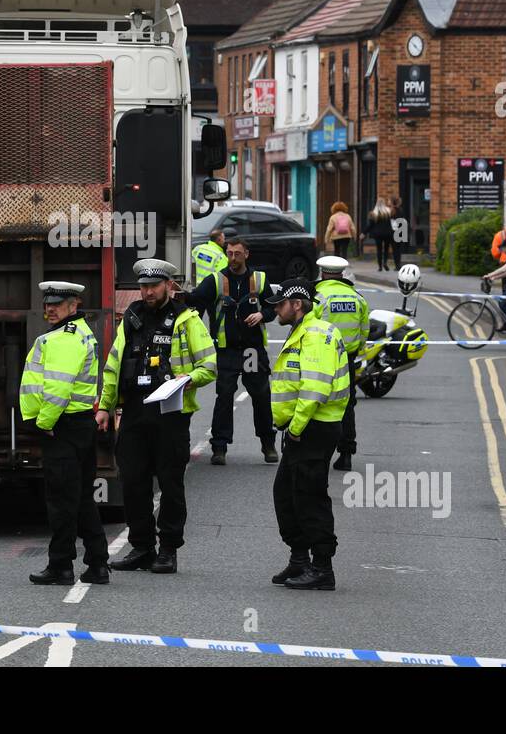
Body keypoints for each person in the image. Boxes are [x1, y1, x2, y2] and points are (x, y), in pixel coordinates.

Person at [100, 259, 216, 574]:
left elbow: (209, 366)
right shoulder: (132, 318)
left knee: (170, 483)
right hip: (136, 411)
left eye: (154, 286)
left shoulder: (187, 320)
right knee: (133, 481)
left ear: (169, 285)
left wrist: (186, 379)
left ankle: (168, 549)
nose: (148, 291)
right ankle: (141, 547)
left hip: (171, 413)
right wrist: (104, 407)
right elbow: (113, 366)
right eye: (144, 286)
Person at [20, 282, 109, 586]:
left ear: (75, 305)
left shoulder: (62, 339)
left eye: (58, 303)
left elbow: (58, 388)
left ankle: (61, 566)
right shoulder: (81, 331)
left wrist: (44, 423)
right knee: (82, 497)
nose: (50, 308)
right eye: (47, 303)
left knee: (61, 500)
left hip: (63, 426)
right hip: (79, 424)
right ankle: (97, 564)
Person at [266, 278, 350, 591]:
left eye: (280, 303)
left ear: (297, 305)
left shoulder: (315, 335)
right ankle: (300, 558)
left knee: (310, 497)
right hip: (303, 427)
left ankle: (322, 567)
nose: (275, 308)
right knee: (286, 494)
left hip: (314, 427)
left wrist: (297, 428)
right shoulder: (303, 331)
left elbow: (315, 388)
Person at [186, 237, 275, 465]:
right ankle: (220, 447)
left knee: (261, 396)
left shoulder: (260, 279)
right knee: (224, 397)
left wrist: (262, 314)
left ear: (247, 254)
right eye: (229, 253)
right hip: (227, 351)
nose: (232, 258)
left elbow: (274, 306)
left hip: (252, 351)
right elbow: (195, 301)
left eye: (237, 253)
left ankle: (267, 443)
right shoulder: (216, 280)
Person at [313, 256, 368, 473]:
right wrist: (354, 351)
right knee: (346, 405)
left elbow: (310, 327)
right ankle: (346, 454)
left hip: (321, 358)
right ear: (342, 273)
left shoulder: (318, 296)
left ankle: (320, 451)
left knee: (318, 402)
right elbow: (364, 330)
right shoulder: (357, 297)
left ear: (323, 273)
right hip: (347, 358)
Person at [365, 198, 394, 272]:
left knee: (379, 250)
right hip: (387, 233)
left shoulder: (374, 213)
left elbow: (370, 225)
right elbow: (393, 222)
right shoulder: (388, 212)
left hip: (378, 234)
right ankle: (385, 263)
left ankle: (380, 266)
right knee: (386, 249)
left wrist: (364, 233)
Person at [389, 196, 407, 269]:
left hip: (393, 231)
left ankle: (397, 265)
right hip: (401, 230)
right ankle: (398, 265)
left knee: (395, 249)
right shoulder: (400, 210)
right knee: (398, 250)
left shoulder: (391, 211)